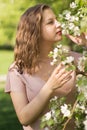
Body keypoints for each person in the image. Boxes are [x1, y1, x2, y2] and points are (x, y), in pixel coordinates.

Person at [5, 4, 77, 130]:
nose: (59, 24)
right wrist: (49, 87)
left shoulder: (72, 60)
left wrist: (85, 42)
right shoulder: (17, 70)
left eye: (56, 19)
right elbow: (24, 118)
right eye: (50, 22)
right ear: (35, 30)